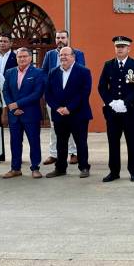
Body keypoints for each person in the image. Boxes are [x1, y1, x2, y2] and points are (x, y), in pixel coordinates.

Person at [98, 36, 134, 182]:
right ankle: (114, 171)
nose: (119, 49)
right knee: (113, 142)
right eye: (117, 47)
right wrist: (111, 102)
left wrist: (125, 102)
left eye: (122, 47)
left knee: (132, 141)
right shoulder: (108, 65)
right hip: (113, 112)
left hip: (130, 111)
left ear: (129, 48)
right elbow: (102, 87)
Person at [44, 47, 92, 179]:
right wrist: (57, 108)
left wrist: (69, 108)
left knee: (81, 142)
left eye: (66, 55)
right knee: (61, 142)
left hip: (78, 114)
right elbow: (48, 94)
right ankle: (60, 168)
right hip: (59, 114)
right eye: (61, 55)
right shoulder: (53, 73)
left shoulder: (84, 72)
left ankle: (83, 167)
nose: (63, 57)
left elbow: (84, 93)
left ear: (73, 57)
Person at [41, 30, 86, 166]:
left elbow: (82, 72)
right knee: (55, 127)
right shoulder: (49, 54)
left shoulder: (77, 53)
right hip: (54, 99)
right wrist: (47, 89)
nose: (60, 40)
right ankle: (54, 154)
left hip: (72, 99)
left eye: (63, 37)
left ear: (68, 38)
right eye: (58, 37)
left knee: (73, 126)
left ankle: (74, 153)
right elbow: (44, 72)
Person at [2, 47, 46, 179]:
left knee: (34, 141)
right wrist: (13, 107)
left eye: (25, 56)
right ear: (16, 58)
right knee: (15, 142)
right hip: (14, 114)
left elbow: (37, 93)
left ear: (30, 58)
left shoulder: (38, 72)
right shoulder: (9, 72)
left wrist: (18, 104)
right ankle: (15, 168)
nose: (22, 59)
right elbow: (5, 91)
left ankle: (35, 168)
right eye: (19, 57)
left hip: (30, 113)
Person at [0, 33, 16, 162]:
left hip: (11, 94)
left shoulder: (15, 57)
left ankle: (16, 156)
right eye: (0, 41)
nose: (2, 43)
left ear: (10, 43)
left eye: (5, 41)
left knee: (14, 126)